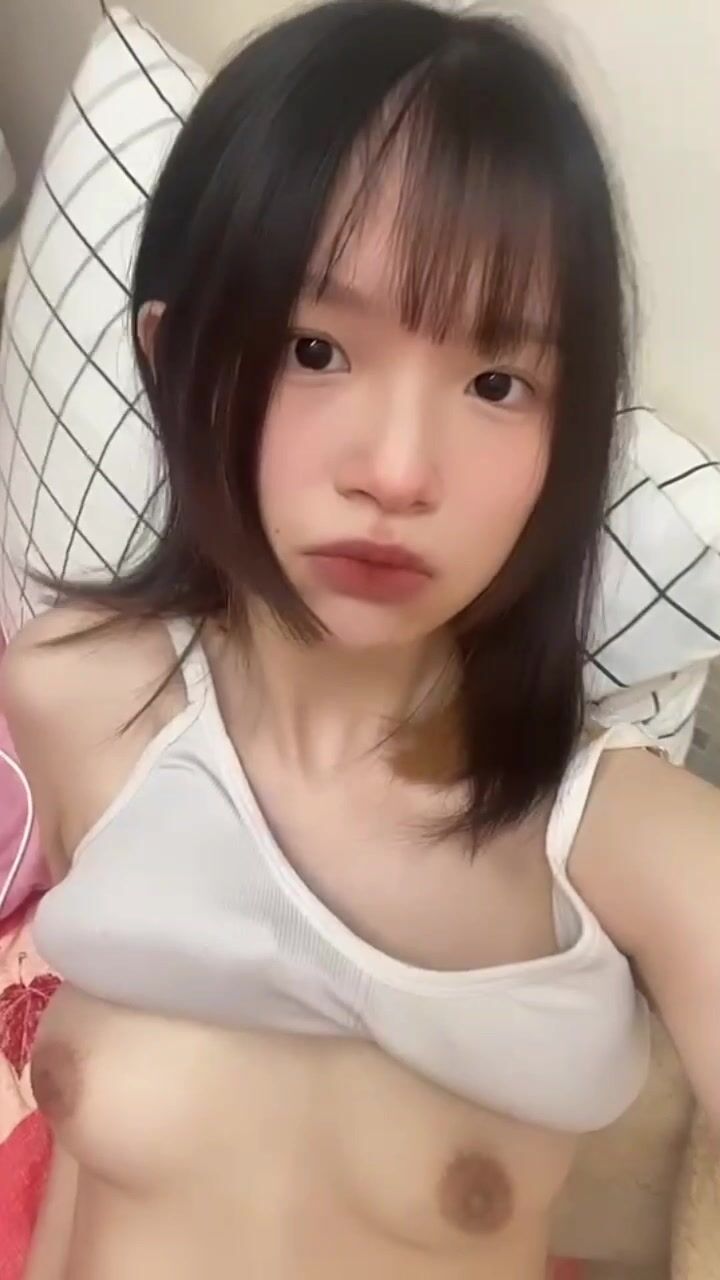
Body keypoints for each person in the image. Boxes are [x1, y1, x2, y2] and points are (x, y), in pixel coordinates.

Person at [2, 2, 718, 1277]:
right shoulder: (70, 691)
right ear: (174, 363)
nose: (395, 470)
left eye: (497, 383)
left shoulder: (631, 847)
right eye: (314, 348)